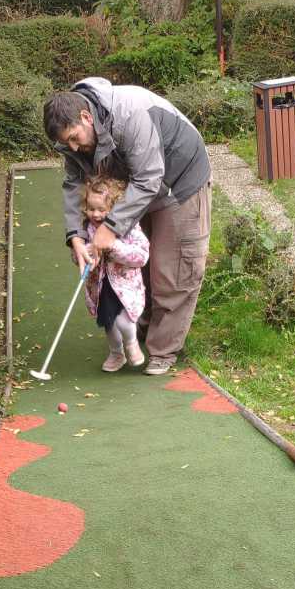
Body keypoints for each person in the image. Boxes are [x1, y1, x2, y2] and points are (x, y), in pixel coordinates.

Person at [43, 77, 212, 376]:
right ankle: (141, 328)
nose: (73, 147)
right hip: (133, 185)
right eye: (66, 143)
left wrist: (110, 227)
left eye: (74, 138)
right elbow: (74, 184)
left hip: (179, 182)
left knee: (171, 270)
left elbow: (148, 178)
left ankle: (163, 350)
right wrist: (76, 236)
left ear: (86, 117)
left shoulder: (130, 115)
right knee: (135, 265)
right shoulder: (75, 139)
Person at [82, 176, 149, 373]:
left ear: (114, 209)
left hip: (126, 285)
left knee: (123, 321)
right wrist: (86, 253)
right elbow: (79, 255)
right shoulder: (87, 228)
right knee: (109, 322)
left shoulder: (129, 227)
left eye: (101, 209)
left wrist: (113, 246)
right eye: (90, 208)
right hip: (101, 285)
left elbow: (141, 256)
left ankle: (131, 343)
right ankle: (116, 353)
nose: (95, 214)